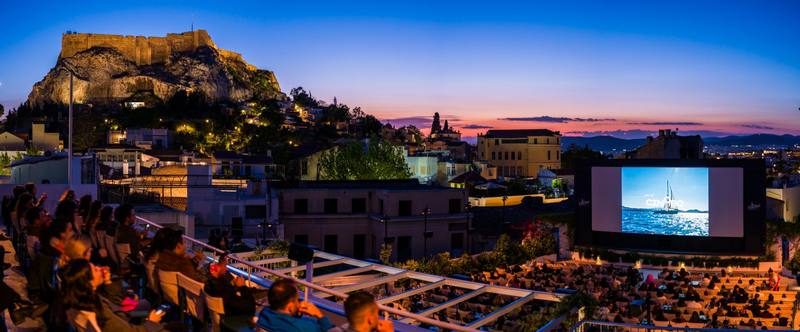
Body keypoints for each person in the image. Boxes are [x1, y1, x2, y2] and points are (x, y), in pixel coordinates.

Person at [59, 259, 164, 331]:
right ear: (89, 282)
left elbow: (117, 307)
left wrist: (108, 281)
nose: (100, 268)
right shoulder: (98, 310)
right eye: (95, 269)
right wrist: (151, 322)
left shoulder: (83, 300)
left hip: (125, 315)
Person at [256, 279, 334, 332]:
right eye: (297, 300)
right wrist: (319, 315)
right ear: (290, 306)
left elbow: (284, 321)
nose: (299, 302)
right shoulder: (304, 327)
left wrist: (296, 313)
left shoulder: (264, 314)